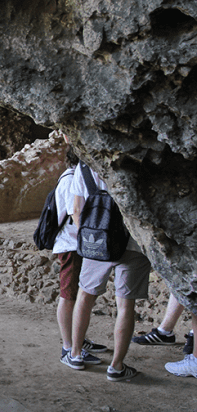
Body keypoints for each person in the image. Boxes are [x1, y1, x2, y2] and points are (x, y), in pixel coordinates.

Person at [64, 162, 152, 381]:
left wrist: (89, 240)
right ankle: (117, 366)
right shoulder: (135, 159)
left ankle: (75, 354)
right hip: (133, 244)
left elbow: (77, 210)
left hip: (97, 242)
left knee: (85, 296)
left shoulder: (85, 167)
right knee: (125, 304)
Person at [52, 149, 106, 366]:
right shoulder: (70, 179)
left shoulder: (75, 176)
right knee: (69, 295)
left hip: (78, 244)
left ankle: (79, 340)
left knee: (77, 294)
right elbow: (74, 214)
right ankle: (68, 347)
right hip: (72, 244)